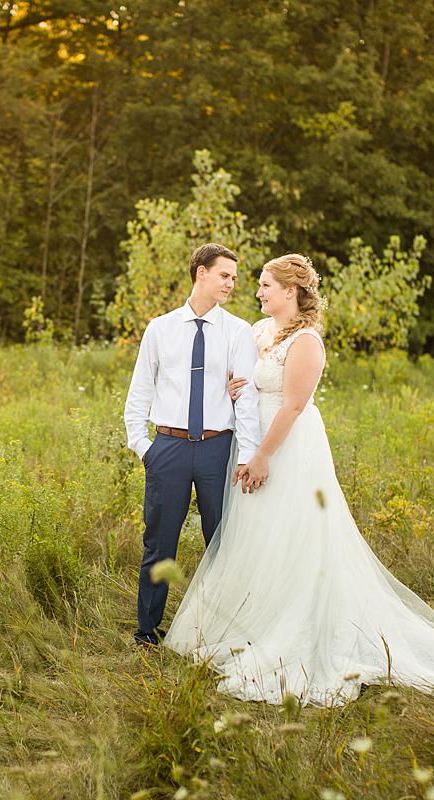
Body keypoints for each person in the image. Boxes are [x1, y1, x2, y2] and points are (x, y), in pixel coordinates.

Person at [162, 253, 434, 705]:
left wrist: (264, 457)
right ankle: (254, 621)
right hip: (254, 441)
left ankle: (303, 627)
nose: (258, 292)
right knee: (260, 537)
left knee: (298, 535)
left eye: (266, 285)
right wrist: (239, 389)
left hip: (288, 448)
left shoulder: (307, 341)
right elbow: (248, 381)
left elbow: (293, 405)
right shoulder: (258, 331)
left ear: (291, 291)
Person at [123, 243, 264, 648]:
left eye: (235, 278)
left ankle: (224, 633)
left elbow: (247, 400)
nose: (232, 284)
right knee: (159, 543)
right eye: (225, 275)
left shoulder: (239, 331)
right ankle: (146, 632)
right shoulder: (160, 328)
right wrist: (144, 446)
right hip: (168, 447)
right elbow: (139, 393)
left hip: (219, 450)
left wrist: (249, 454)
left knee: (222, 542)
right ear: (201, 273)